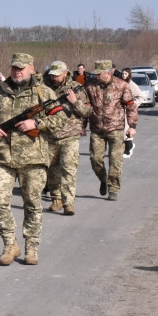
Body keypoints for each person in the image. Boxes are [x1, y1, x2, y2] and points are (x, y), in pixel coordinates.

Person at [0, 53, 67, 266]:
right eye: (14, 68)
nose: (17, 72)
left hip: (33, 159)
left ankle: (31, 247)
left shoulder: (43, 92)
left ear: (31, 69)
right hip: (3, 158)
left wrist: (36, 124)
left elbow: (60, 119)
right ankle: (10, 244)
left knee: (32, 203)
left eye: (21, 68)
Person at [43, 61, 92, 216]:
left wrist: (75, 102)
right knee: (52, 170)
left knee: (68, 168)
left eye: (57, 75)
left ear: (65, 73)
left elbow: (87, 112)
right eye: (52, 75)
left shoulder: (76, 88)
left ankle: (68, 203)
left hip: (70, 135)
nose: (54, 78)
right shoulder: (43, 87)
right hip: (50, 135)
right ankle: (56, 199)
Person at [85, 60, 138, 201]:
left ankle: (113, 188)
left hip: (116, 129)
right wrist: (82, 126)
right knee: (95, 160)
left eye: (99, 73)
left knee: (115, 161)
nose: (96, 76)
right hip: (97, 129)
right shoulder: (90, 86)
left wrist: (132, 126)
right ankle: (103, 179)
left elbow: (131, 106)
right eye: (96, 73)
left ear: (108, 73)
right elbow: (85, 108)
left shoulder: (121, 85)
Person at [118, 68, 144, 158]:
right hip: (119, 111)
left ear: (129, 75)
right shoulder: (120, 83)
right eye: (123, 74)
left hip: (128, 111)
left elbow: (141, 96)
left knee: (127, 131)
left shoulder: (132, 85)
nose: (123, 75)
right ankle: (130, 146)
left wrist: (133, 105)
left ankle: (128, 150)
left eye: (125, 74)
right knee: (119, 132)